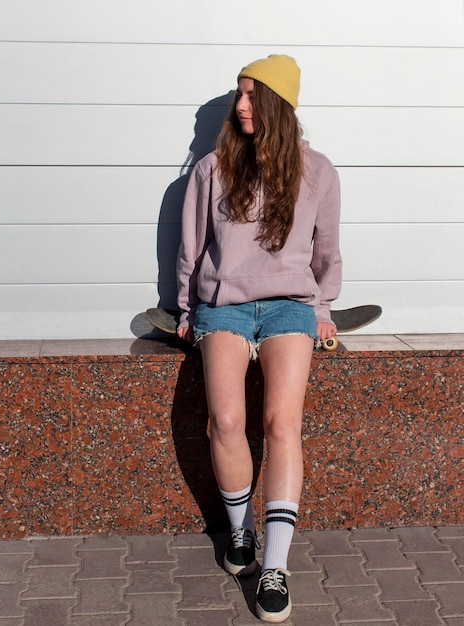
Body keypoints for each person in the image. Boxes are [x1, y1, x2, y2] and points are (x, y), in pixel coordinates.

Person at [175, 54, 341, 623]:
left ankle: (276, 564)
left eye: (252, 95)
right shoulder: (212, 170)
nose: (240, 105)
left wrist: (322, 306)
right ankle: (240, 532)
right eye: (238, 94)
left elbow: (325, 251)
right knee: (224, 421)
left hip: (289, 307)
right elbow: (192, 248)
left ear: (278, 103)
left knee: (280, 424)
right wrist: (184, 307)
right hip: (223, 306)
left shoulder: (317, 170)